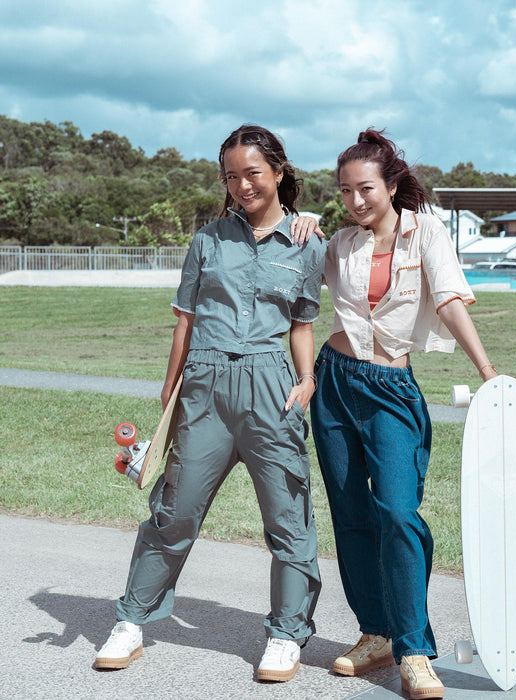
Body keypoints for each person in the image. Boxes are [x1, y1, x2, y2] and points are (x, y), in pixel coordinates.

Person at [95, 124, 327, 683]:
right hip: (203, 387)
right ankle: (131, 621)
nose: (242, 185)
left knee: (288, 517)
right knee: (174, 512)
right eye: (231, 176)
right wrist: (169, 394)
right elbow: (186, 321)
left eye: (253, 173)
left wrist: (307, 380)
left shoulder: (308, 242)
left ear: (278, 172)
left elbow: (302, 324)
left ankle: (286, 634)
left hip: (272, 389)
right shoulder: (208, 240)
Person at [310, 129, 497, 700]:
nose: (355, 201)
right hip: (333, 381)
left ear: (391, 185)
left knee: (397, 513)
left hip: (391, 389)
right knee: (350, 514)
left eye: (365, 188)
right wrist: (301, 226)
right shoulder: (340, 244)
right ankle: (376, 633)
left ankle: (414, 650)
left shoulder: (427, 232)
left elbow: (449, 301)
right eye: (345, 191)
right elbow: (291, 285)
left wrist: (488, 372)